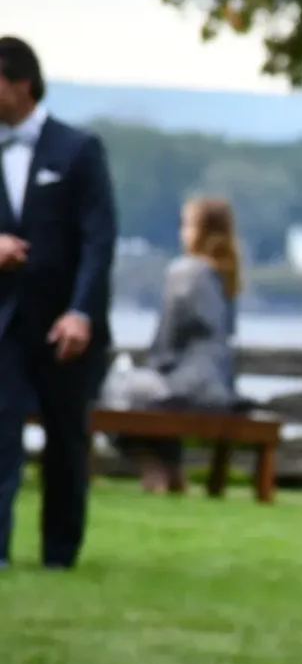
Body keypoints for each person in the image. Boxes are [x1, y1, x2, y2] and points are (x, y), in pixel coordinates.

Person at [0, 36, 117, 570]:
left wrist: (81, 312)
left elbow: (99, 238)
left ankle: (59, 554)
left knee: (65, 441)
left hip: (63, 326)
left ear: (21, 83)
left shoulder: (78, 150)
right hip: (5, 322)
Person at [107, 196, 243, 492]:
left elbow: (166, 341)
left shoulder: (185, 272)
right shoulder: (228, 276)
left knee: (118, 391)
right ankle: (173, 471)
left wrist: (155, 367)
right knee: (153, 399)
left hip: (189, 385)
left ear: (200, 231)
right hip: (220, 387)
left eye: (187, 225)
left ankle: (156, 470)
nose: (183, 233)